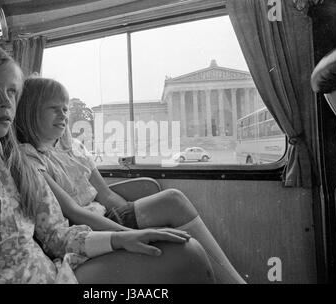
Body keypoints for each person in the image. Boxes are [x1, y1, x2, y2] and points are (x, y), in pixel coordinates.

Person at [0, 38, 214, 284]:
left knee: (185, 254)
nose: (5, 101)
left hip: (55, 274)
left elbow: (57, 236)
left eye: (13, 91)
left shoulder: (15, 164)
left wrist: (122, 238)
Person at [15, 77, 246, 284]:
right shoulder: (30, 157)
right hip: (85, 227)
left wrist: (133, 217)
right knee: (183, 243)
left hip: (104, 213)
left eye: (65, 109)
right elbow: (73, 212)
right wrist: (125, 234)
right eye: (53, 109)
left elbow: (106, 195)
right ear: (30, 113)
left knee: (173, 200)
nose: (63, 115)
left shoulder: (74, 148)